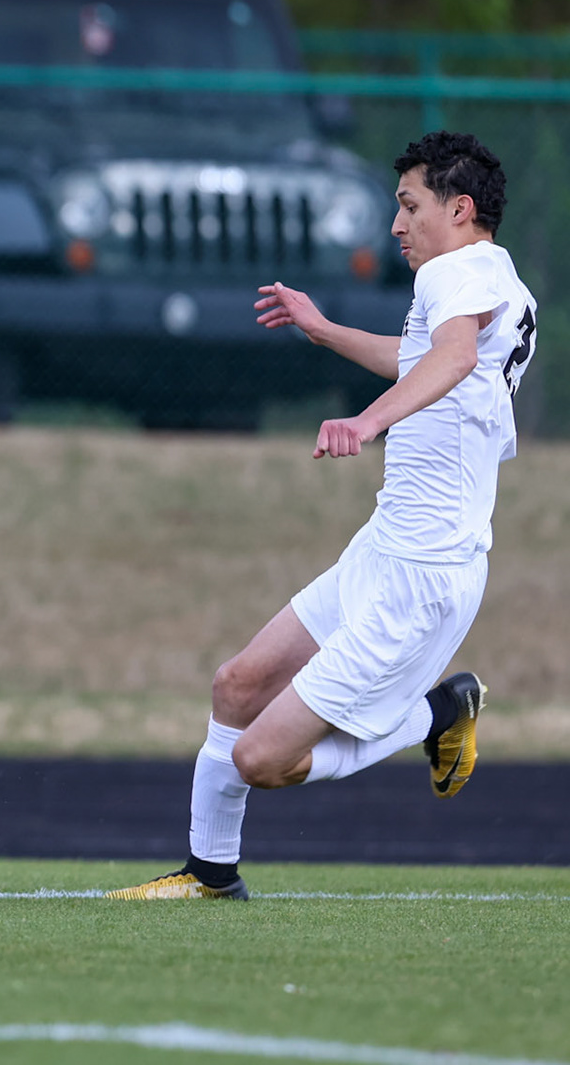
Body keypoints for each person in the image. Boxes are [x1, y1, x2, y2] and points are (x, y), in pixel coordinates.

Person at [110, 132, 538, 901]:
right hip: (385, 549)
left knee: (262, 760)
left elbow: (451, 363)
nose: (397, 226)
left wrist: (367, 423)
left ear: (460, 208)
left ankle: (440, 711)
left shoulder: (460, 270)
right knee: (236, 687)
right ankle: (209, 875)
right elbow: (425, 357)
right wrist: (324, 329)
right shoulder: (483, 277)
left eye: (409, 206)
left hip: (423, 575)